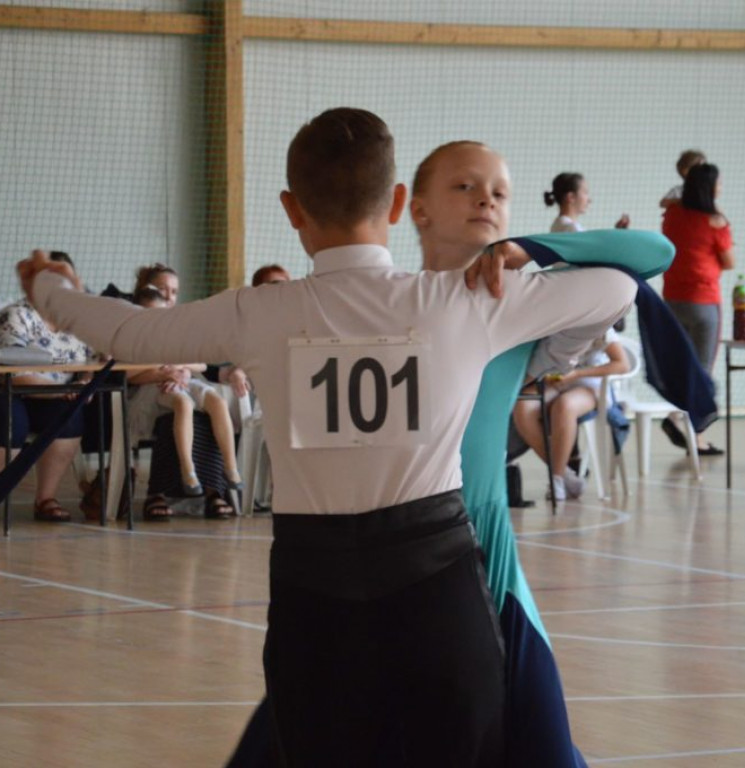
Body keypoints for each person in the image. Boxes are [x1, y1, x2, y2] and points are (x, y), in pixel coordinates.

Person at [23, 107, 645, 766]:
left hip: (313, 594)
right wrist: (532, 252)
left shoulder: (257, 311)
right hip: (438, 587)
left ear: (292, 209)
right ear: (400, 201)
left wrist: (46, 285)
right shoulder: (463, 301)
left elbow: (124, 333)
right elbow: (619, 286)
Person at [225, 140, 675, 768]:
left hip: (485, 562)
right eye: (465, 186)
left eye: (499, 190)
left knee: (541, 747)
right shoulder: (383, 301)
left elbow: (653, 255)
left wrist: (535, 250)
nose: (487, 197)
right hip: (364, 566)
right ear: (416, 209)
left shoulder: (519, 307)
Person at [0, 250, 92, 522]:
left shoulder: (79, 322)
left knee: (70, 418)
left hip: (56, 396)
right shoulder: (17, 315)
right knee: (10, 422)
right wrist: (61, 391)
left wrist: (86, 382)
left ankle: (46, 499)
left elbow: (96, 359)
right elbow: (11, 371)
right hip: (12, 391)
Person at [128, 286, 242, 500]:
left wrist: (180, 369)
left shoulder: (175, 335)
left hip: (183, 380)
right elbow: (129, 375)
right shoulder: (134, 341)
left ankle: (231, 468)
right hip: (154, 388)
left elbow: (201, 364)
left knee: (217, 401)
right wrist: (162, 373)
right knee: (184, 403)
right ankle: (188, 470)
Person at [660, 162, 734, 455]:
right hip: (704, 302)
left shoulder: (673, 214)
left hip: (673, 300)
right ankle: (679, 419)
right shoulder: (716, 222)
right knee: (703, 370)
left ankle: (695, 437)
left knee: (684, 365)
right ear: (710, 189)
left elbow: (667, 207)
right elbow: (729, 262)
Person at [513, 329, 628, 501]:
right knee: (523, 406)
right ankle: (565, 474)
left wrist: (578, 374)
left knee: (565, 406)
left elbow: (622, 364)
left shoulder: (600, 323)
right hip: (557, 381)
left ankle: (557, 480)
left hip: (592, 385)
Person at [544, 172, 629, 233]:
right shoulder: (571, 228)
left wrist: (618, 233)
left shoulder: (560, 225)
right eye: (585, 192)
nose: (589, 200)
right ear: (571, 197)